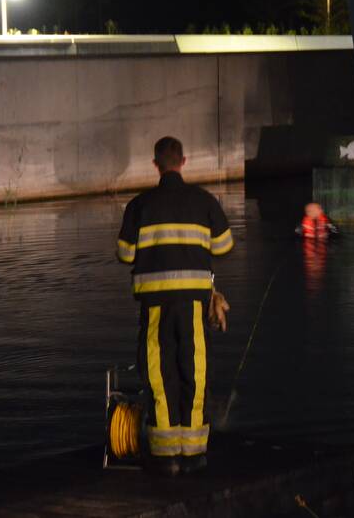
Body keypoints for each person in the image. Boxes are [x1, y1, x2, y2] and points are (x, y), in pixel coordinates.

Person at [116, 136, 233, 476]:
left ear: (156, 165)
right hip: (194, 304)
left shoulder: (139, 205)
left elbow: (124, 255)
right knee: (194, 371)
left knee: (159, 372)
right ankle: (194, 453)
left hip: (155, 306)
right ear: (184, 161)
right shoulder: (204, 201)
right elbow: (224, 247)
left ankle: (166, 456)